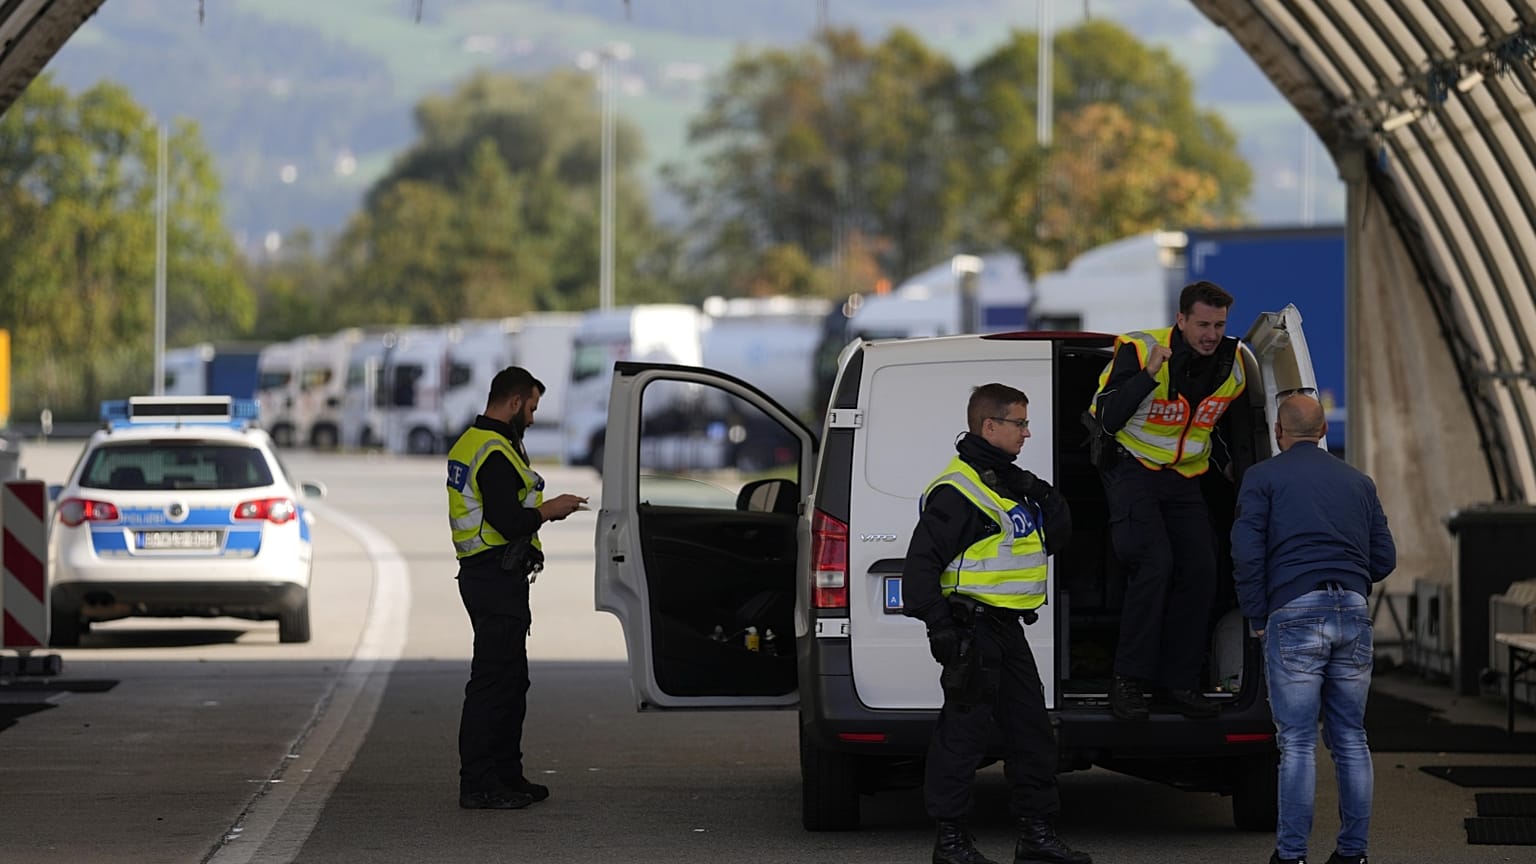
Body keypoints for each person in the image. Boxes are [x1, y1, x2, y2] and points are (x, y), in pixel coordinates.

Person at [902, 383, 1090, 864]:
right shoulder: (960, 489)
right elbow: (919, 567)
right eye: (1019, 423)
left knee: (1031, 732)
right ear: (990, 426)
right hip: (972, 630)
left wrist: (1042, 492)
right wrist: (940, 629)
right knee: (963, 737)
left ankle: (1036, 836)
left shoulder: (1006, 481)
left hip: (1006, 629)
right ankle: (951, 843)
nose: (1027, 433)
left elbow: (1057, 536)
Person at [1231, 394, 1395, 864]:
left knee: (1298, 742)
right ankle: (1352, 854)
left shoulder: (1262, 478)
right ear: (1323, 432)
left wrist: (1259, 616)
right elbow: (1384, 558)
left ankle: (1292, 855)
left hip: (1294, 611)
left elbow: (1246, 554)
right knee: (1351, 738)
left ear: (1280, 433)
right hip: (1353, 610)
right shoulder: (1359, 483)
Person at [1088, 280, 1246, 721]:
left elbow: (1221, 428)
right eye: (1202, 324)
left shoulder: (1232, 367)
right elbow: (1109, 420)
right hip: (1131, 466)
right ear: (1181, 320)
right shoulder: (1140, 350)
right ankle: (1128, 680)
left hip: (1183, 477)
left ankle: (1178, 681)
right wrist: (1148, 375)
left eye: (1218, 325)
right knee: (1154, 562)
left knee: (1202, 567)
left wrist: (1235, 468)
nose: (1211, 334)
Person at [446, 366, 587, 810]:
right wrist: (551, 510)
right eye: (531, 407)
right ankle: (480, 784)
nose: (531, 416)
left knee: (512, 680)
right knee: (493, 683)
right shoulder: (491, 450)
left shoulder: (482, 442)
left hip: (493, 575)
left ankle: (507, 775)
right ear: (513, 402)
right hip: (493, 575)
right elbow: (508, 521)